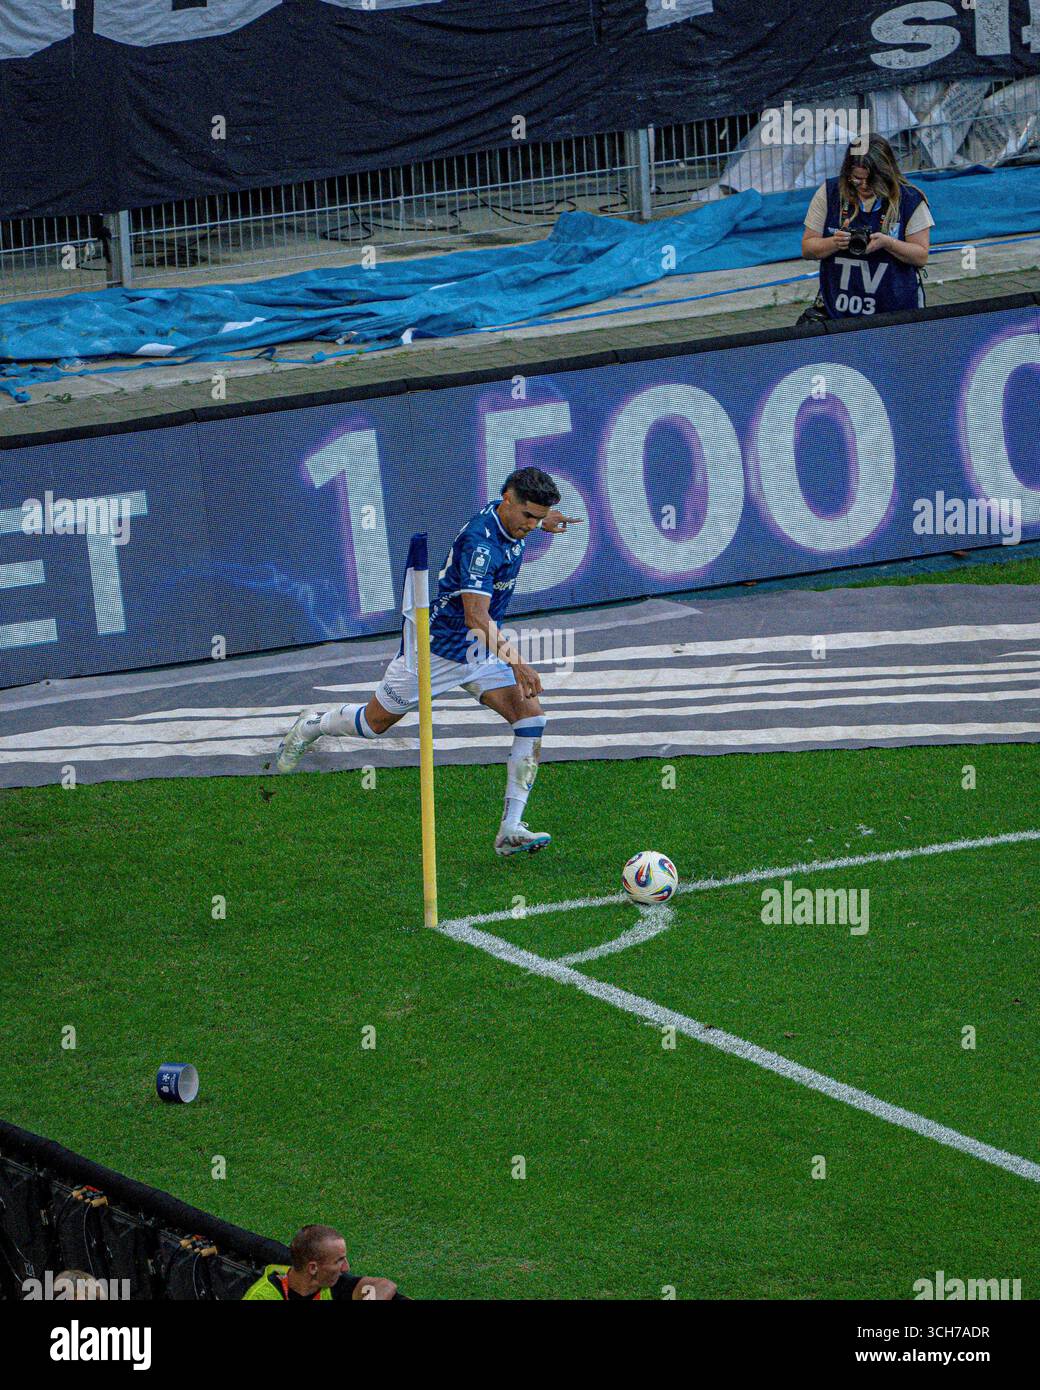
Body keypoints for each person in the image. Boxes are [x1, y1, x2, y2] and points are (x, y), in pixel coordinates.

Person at [276, 466, 583, 857]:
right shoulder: (480, 545)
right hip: (438, 651)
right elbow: (475, 616)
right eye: (530, 516)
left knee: (531, 719)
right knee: (374, 725)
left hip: (480, 650)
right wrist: (520, 664)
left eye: (539, 518)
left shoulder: (511, 518)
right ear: (509, 500)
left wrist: (546, 521)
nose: (533, 525)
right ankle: (312, 726)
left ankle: (510, 829)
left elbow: (521, 529)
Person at [799, 133, 933, 323]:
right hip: (839, 314)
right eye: (857, 178)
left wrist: (888, 243)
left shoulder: (910, 199)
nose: (864, 185)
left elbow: (921, 256)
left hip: (896, 315)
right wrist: (835, 242)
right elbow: (807, 248)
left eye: (871, 179)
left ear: (886, 173)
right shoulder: (829, 193)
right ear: (847, 172)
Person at [241, 1224, 400, 1301]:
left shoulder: (332, 1284)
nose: (346, 1268)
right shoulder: (262, 1297)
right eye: (338, 1261)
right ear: (313, 1268)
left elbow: (384, 1286)